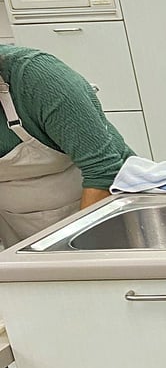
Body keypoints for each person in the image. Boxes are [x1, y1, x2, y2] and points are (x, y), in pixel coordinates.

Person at [0, 44, 134, 249]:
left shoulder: (39, 78)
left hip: (102, 215)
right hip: (17, 232)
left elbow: (103, 171)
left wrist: (77, 253)